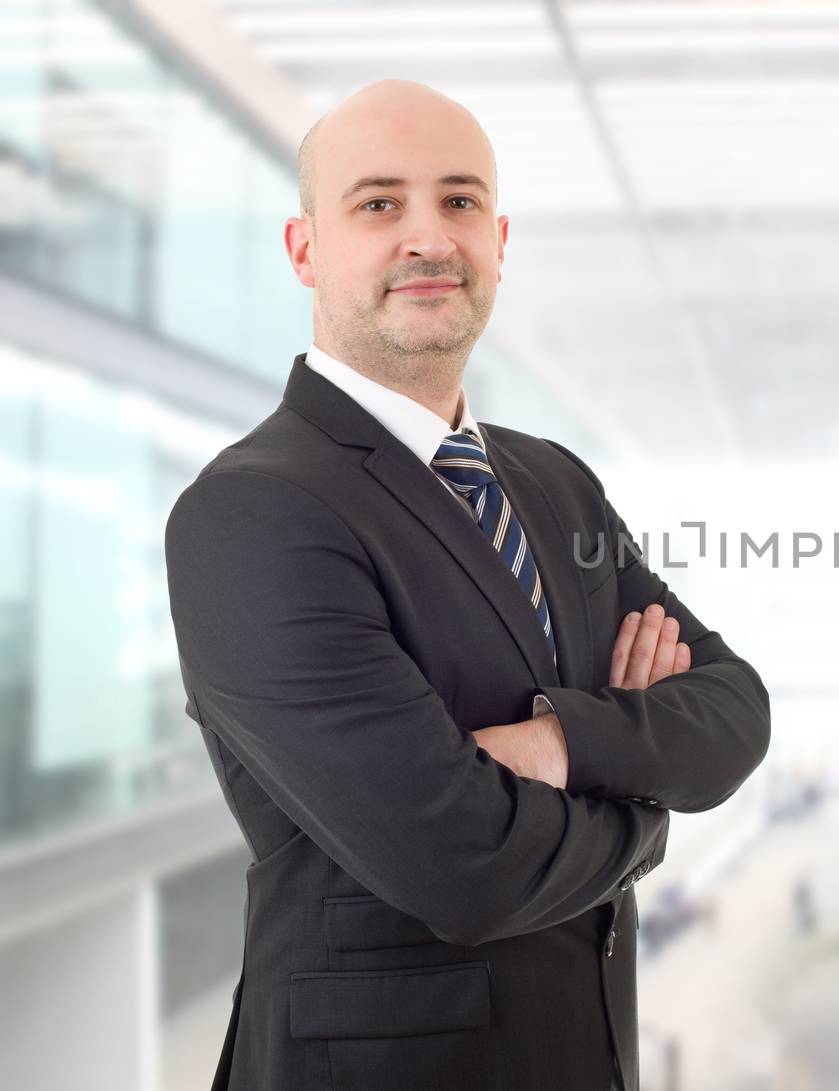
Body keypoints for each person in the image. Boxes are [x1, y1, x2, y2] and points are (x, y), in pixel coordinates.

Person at [163, 79, 770, 1091]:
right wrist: (648, 803)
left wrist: (562, 745)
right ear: (304, 248)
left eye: (458, 201)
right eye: (377, 204)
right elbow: (464, 865)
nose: (427, 236)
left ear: (498, 240)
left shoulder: (551, 481)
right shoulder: (253, 514)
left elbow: (735, 710)